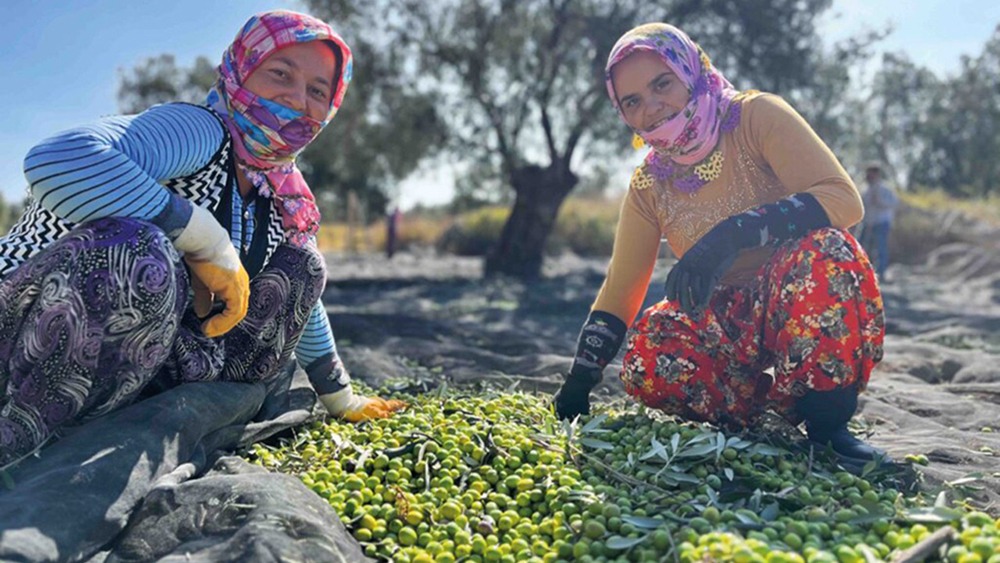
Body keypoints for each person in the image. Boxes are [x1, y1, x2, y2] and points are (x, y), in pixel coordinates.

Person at [0, 10, 404, 468]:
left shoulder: (282, 192)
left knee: (303, 264)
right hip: (22, 327)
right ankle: (20, 439)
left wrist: (341, 397)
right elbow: (58, 159)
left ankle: (127, 424)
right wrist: (204, 240)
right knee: (140, 252)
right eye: (280, 73)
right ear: (241, 71)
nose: (297, 98)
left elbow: (303, 303)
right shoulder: (199, 132)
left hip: (127, 364)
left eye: (317, 91)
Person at [553, 23, 887, 468]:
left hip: (797, 296)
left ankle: (828, 427)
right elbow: (621, 288)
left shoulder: (755, 118)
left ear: (690, 71)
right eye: (632, 101)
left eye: (662, 83)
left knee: (827, 252)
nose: (651, 106)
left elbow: (843, 200)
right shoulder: (650, 184)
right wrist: (580, 380)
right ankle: (763, 413)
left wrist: (733, 234)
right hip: (726, 322)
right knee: (651, 346)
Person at [859, 163, 899, 279]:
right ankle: (862, 273)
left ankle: (881, 273)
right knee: (861, 247)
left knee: (881, 247)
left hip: (881, 222)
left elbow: (894, 203)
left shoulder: (885, 189)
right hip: (867, 222)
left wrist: (880, 201)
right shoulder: (865, 190)